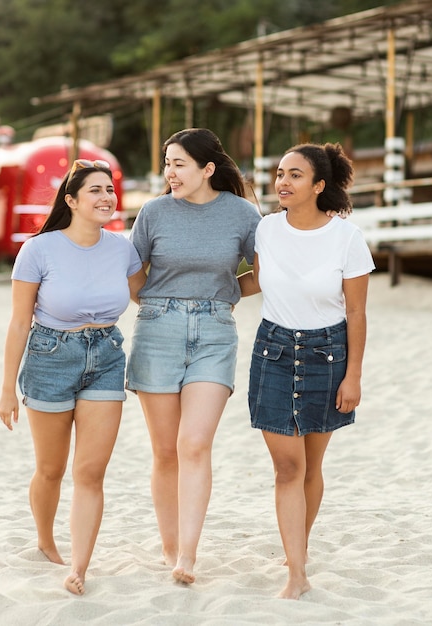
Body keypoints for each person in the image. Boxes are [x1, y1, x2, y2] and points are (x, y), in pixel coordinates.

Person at [0, 158, 146, 595]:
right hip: (49, 356)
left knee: (91, 471)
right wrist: (7, 388)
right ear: (72, 200)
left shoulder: (122, 248)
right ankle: (46, 541)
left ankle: (79, 565)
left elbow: (149, 295)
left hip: (106, 356)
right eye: (95, 190)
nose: (106, 197)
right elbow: (18, 322)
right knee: (50, 468)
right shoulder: (38, 249)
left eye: (109, 190)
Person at [126, 128, 262, 584]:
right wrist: (162, 305)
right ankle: (169, 549)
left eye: (179, 163)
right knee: (166, 451)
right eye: (167, 163)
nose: (170, 173)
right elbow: (132, 275)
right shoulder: (153, 212)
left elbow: (263, 272)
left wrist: (222, 296)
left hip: (215, 332)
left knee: (195, 444)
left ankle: (188, 555)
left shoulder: (243, 214)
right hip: (157, 330)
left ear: (207, 169)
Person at [242, 142, 374, 600]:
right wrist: (195, 290)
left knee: (311, 466)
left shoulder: (347, 238)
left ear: (319, 185)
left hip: (328, 355)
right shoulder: (266, 230)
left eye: (294, 175)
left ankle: (298, 545)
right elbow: (255, 281)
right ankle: (296, 572)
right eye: (280, 173)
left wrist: (353, 375)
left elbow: (356, 313)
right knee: (287, 467)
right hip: (274, 352)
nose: (282, 181)